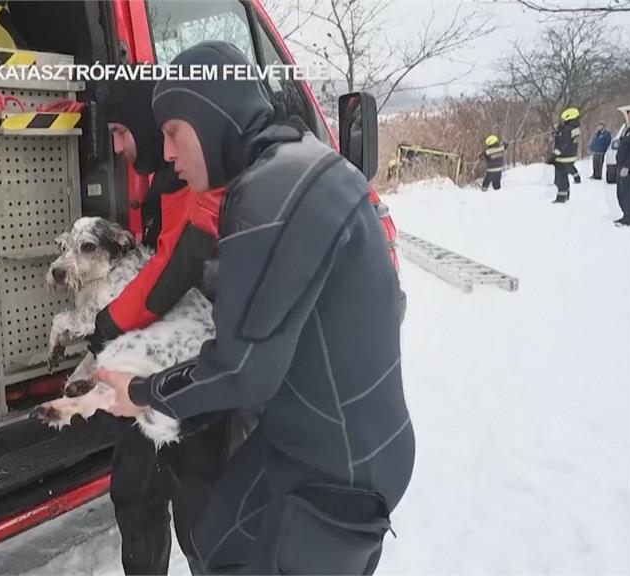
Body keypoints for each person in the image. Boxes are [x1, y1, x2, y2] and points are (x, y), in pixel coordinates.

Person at [98, 42, 414, 575]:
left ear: (211, 114)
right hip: (310, 440)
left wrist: (139, 393)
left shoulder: (267, 195)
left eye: (174, 131)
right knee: (218, 541)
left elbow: (241, 371)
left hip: (339, 476)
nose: (167, 152)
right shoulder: (297, 160)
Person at [94, 74, 238, 575]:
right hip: (149, 366)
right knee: (134, 494)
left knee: (199, 510)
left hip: (197, 370)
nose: (116, 146)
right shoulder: (158, 179)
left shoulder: (201, 178)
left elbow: (176, 266)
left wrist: (109, 322)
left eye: (120, 131)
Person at [551, 108, 581, 203]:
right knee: (564, 176)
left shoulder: (567, 129)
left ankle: (561, 197)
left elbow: (563, 143)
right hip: (570, 155)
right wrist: (557, 133)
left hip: (564, 156)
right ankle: (566, 194)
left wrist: (554, 155)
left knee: (561, 178)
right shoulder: (575, 127)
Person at [615, 109, 630, 227]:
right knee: (622, 192)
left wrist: (627, 166)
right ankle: (626, 215)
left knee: (629, 193)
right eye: (629, 115)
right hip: (623, 166)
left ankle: (628, 218)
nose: (629, 117)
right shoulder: (629, 130)